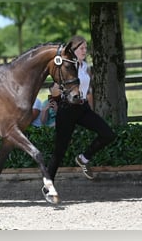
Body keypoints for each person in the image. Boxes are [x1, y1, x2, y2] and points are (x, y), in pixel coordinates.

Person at [46, 35, 116, 187]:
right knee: (60, 151)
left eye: (86, 48)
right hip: (67, 109)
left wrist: (89, 108)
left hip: (83, 108)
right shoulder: (65, 67)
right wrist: (57, 100)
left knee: (108, 134)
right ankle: (48, 184)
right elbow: (53, 91)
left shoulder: (85, 66)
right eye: (82, 48)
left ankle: (83, 159)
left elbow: (88, 90)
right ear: (73, 50)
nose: (85, 50)